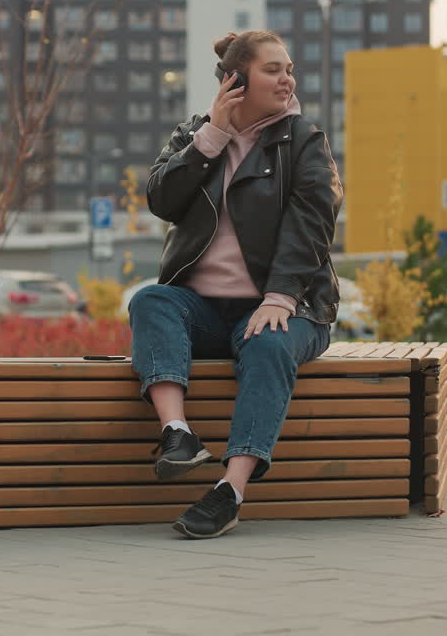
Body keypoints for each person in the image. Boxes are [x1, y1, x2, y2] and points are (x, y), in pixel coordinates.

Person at [129, 30, 343, 539]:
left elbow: (313, 221)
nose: (287, 79)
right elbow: (161, 200)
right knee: (151, 301)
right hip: (204, 308)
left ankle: (231, 489)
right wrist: (212, 138)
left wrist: (282, 296)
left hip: (288, 306)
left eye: (288, 68)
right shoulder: (195, 135)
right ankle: (178, 435)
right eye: (274, 69)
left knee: (267, 342)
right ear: (236, 80)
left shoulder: (303, 141)